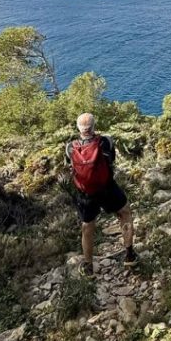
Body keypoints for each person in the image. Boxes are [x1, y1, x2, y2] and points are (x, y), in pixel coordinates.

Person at [65, 112, 136, 275]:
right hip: (107, 188)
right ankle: (130, 255)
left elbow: (70, 166)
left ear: (79, 129)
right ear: (94, 127)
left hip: (85, 194)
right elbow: (111, 160)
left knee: (87, 226)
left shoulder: (70, 147)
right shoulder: (106, 141)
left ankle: (88, 266)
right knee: (125, 212)